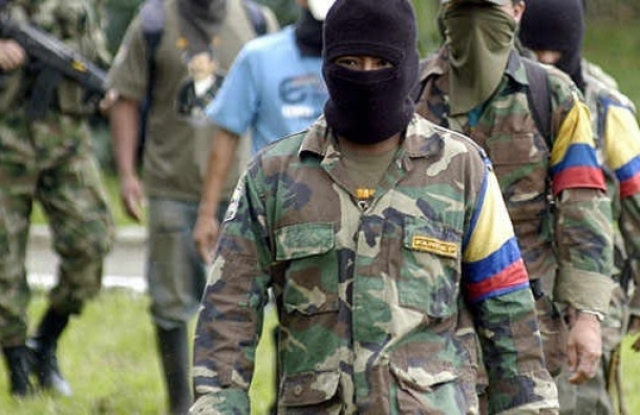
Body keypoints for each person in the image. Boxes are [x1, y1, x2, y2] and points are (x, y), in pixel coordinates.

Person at [189, 0, 559, 413]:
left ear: (407, 66)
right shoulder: (273, 176)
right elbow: (227, 311)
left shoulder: (462, 169)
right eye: (349, 61)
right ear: (327, 65)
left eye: (382, 62)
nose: (366, 76)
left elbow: (508, 313)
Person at [414, 0, 615, 403]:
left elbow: (584, 205)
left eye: (488, 8)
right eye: (463, 8)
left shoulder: (552, 94)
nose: (476, 23)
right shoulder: (410, 91)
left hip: (528, 330)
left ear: (518, 10)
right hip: (430, 332)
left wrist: (587, 316)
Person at [106, 0, 278, 413]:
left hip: (243, 190)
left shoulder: (256, 21)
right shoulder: (153, 21)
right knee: (169, 300)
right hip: (172, 186)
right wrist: (127, 174)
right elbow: (125, 97)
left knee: (248, 303)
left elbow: (275, 92)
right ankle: (179, 404)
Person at [519, 0, 640, 413]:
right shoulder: (514, 96)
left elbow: (636, 204)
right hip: (530, 285)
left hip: (597, 287)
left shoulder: (606, 107)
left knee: (584, 398)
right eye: (535, 53)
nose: (545, 65)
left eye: (555, 55)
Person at [0, 0, 115, 398]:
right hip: (5, 143)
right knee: (3, 262)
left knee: (92, 242)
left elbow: (95, 49)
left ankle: (45, 341)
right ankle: (16, 364)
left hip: (67, 143)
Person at [193, 0, 330, 263]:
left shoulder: (367, 62)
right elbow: (227, 134)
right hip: (276, 213)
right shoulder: (261, 57)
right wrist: (207, 214)